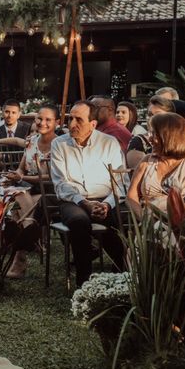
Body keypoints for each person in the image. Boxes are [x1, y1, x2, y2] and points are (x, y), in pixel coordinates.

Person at [50, 100, 125, 287]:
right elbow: (61, 184)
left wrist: (107, 204)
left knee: (115, 221)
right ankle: (83, 284)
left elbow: (120, 182)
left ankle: (123, 273)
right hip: (73, 201)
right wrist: (84, 203)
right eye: (70, 119)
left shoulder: (109, 143)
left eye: (79, 120)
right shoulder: (59, 144)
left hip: (104, 198)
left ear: (93, 124)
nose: (72, 124)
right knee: (78, 222)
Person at [5, 104, 60, 278]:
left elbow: (52, 178)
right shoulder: (31, 140)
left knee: (16, 211)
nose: (42, 122)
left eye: (48, 120)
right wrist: (16, 175)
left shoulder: (60, 145)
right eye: (39, 119)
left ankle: (19, 262)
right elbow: (22, 168)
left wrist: (22, 179)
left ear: (57, 123)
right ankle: (29, 233)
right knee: (17, 199)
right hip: (28, 190)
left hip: (51, 192)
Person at [127, 113, 185, 216]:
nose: (150, 139)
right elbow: (131, 195)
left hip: (183, 223)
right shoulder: (147, 161)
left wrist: (173, 226)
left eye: (154, 134)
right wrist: (144, 220)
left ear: (170, 136)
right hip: (149, 224)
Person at [126, 95, 175, 169]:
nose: (152, 118)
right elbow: (139, 172)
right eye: (150, 114)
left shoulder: (179, 140)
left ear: (171, 117)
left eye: (158, 114)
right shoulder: (138, 141)